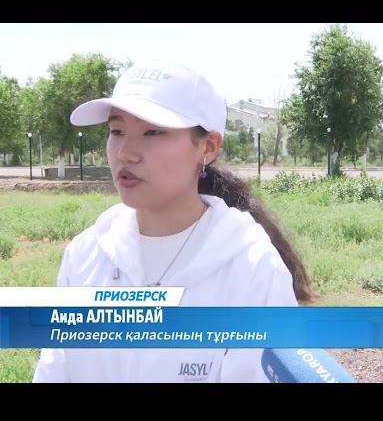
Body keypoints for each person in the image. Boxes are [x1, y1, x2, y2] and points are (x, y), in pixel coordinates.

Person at [32, 59, 314, 383]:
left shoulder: (251, 268)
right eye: (116, 131)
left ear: (207, 147)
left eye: (152, 131)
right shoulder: (84, 256)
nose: (125, 153)